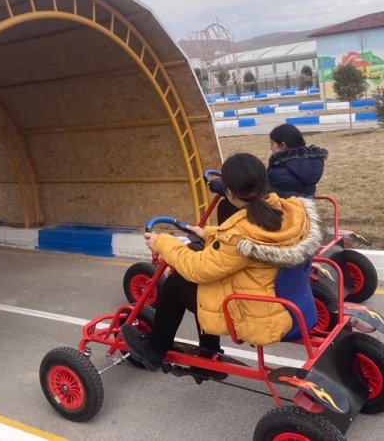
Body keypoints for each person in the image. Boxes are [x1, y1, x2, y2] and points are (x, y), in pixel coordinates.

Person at [121, 153, 321, 372]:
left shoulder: (239, 235)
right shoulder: (289, 210)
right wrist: (207, 233)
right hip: (290, 302)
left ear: (230, 193)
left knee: (176, 285)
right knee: (206, 283)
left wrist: (162, 243)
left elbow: (198, 269)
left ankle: (154, 350)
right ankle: (208, 353)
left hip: (261, 315)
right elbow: (239, 236)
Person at [267, 124, 328, 199]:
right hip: (306, 208)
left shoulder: (277, 171)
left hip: (286, 209)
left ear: (283, 145)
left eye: (272, 144)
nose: (270, 148)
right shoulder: (312, 162)